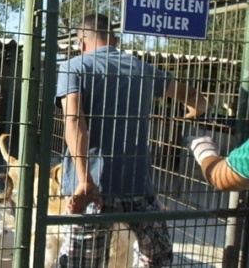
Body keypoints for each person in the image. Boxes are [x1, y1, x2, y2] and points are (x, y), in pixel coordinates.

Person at [55, 13, 208, 268]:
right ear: (114, 40)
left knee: (80, 262)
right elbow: (196, 97)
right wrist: (197, 109)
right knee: (157, 257)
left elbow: (73, 120)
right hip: (137, 185)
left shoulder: (74, 66)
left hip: (93, 187)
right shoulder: (144, 69)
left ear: (80, 41)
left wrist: (84, 181)